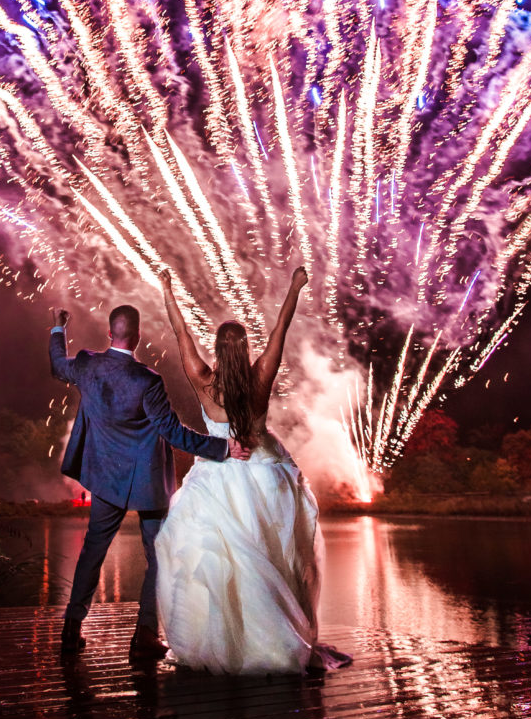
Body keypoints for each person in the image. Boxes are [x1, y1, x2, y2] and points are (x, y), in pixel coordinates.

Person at [155, 267, 352, 674]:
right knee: (272, 558)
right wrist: (295, 287)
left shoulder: (204, 382)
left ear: (216, 348)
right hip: (264, 476)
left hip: (216, 479)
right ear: (245, 348)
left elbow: (181, 334)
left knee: (221, 566)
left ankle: (226, 644)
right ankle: (277, 640)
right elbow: (281, 329)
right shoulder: (261, 377)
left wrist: (168, 291)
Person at [49, 304, 250, 657]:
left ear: (110, 333)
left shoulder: (86, 364)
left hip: (105, 479)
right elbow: (174, 433)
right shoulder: (148, 380)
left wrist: (58, 328)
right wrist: (223, 447)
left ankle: (71, 627)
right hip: (147, 482)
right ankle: (144, 634)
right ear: (138, 337)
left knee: (92, 551)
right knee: (159, 555)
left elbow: (56, 365)